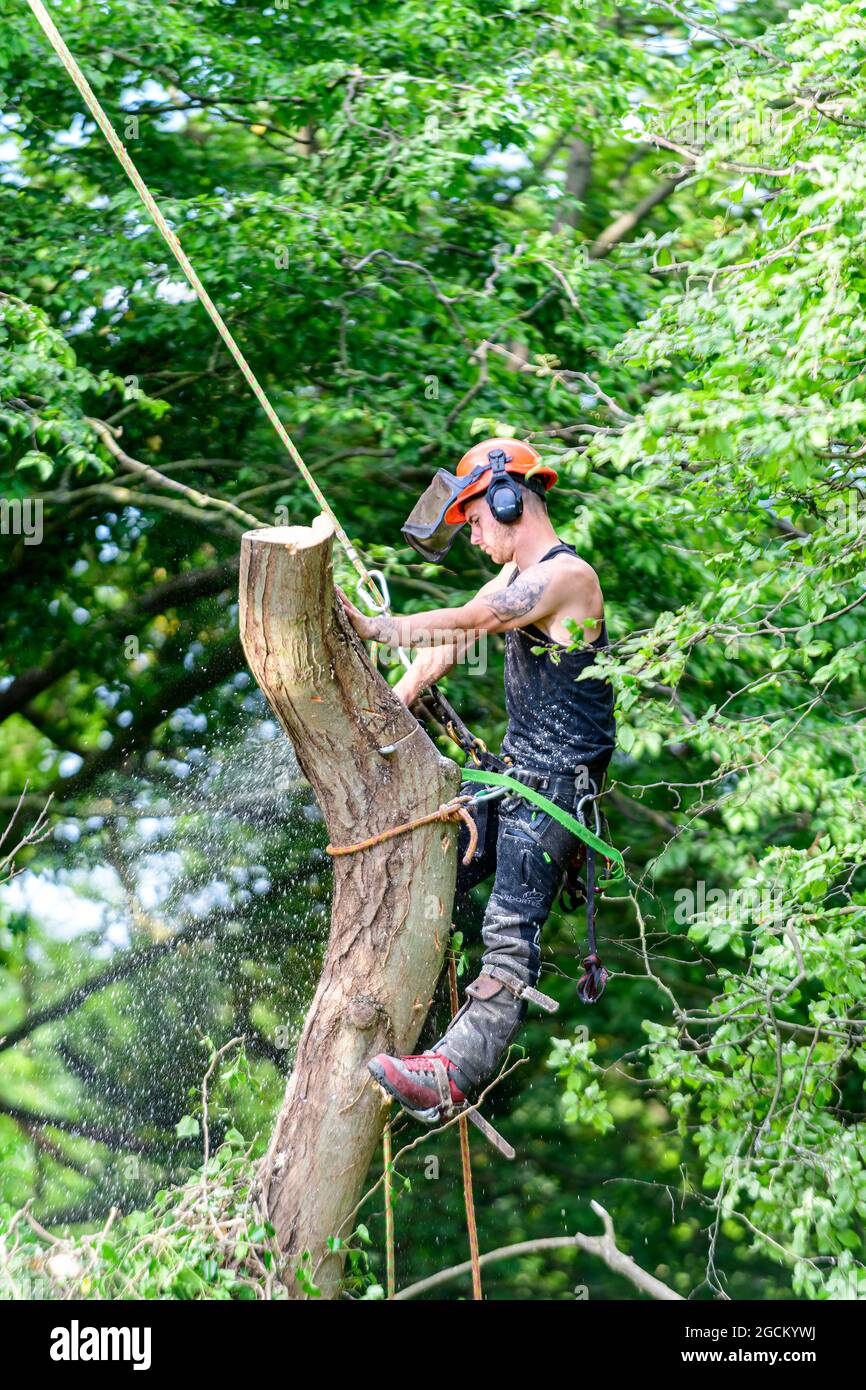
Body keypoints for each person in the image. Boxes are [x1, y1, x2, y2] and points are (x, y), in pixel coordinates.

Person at [337, 438, 616, 1122]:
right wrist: (386, 714)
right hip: (514, 778)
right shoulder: (515, 580)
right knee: (427, 862)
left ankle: (449, 1076)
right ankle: (369, 999)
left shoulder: (566, 577)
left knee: (508, 929)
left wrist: (378, 626)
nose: (474, 536)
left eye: (476, 520)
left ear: (507, 499)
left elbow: (480, 619)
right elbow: (451, 644)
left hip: (554, 793)